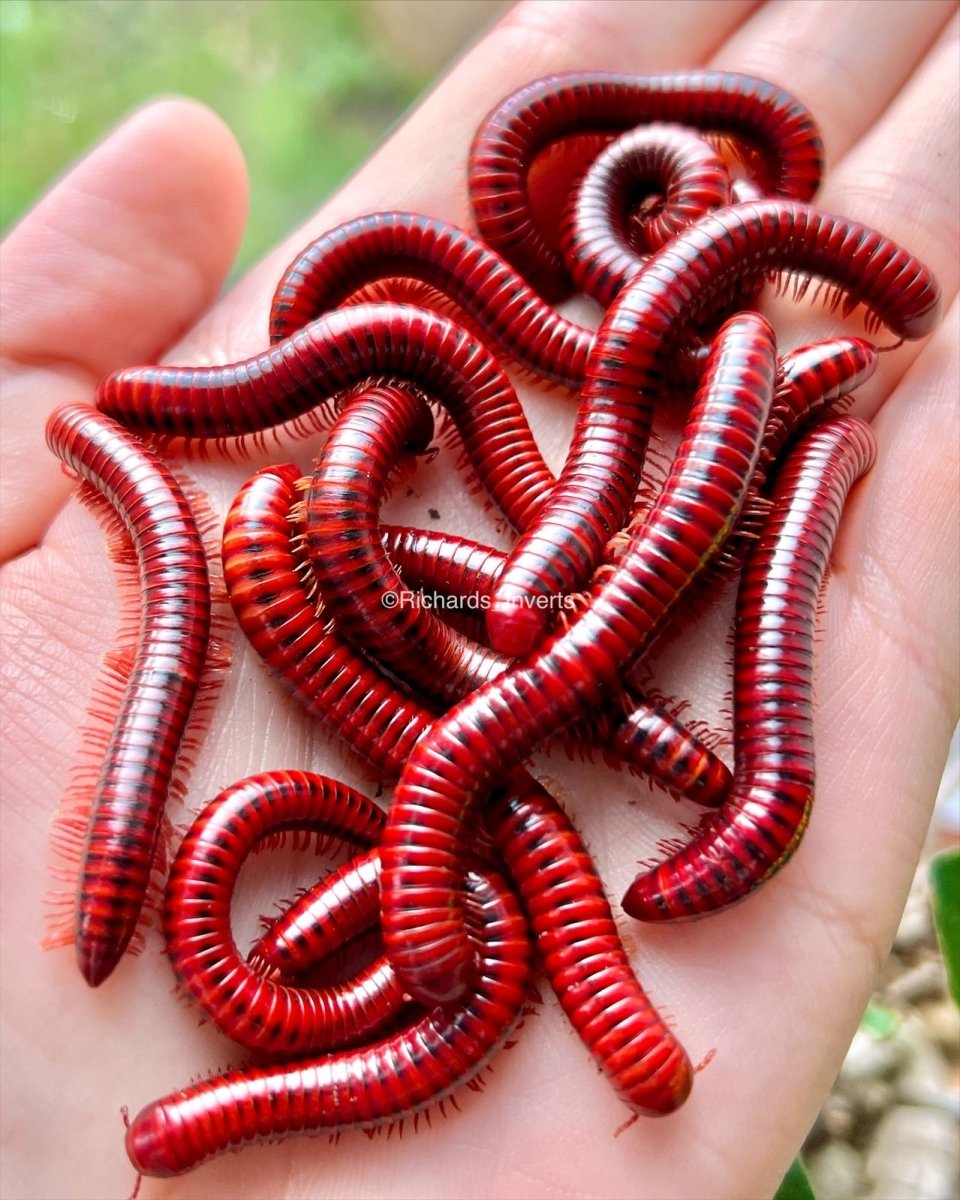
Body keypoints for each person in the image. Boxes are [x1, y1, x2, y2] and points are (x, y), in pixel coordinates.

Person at [1, 1, 956, 1195]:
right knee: (522, 638)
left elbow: (525, 626)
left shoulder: (658, 407)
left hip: (520, 574)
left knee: (543, 618)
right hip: (478, 598)